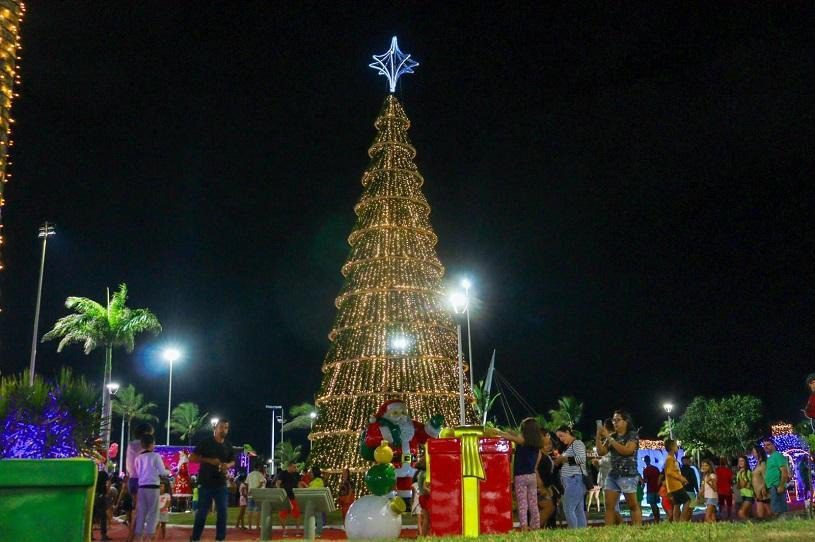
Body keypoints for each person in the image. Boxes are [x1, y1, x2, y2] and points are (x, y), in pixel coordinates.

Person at [491, 418, 543, 530]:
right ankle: (536, 525)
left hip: (521, 476)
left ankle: (524, 526)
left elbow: (511, 438)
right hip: (532, 476)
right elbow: (538, 457)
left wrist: (498, 432)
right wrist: (511, 433)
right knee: (533, 503)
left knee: (522, 503)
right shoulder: (536, 444)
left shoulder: (522, 441)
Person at [190, 418, 235, 542]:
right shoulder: (206, 442)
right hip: (205, 483)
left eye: (226, 427)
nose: (224, 430)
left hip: (221, 484)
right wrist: (209, 460)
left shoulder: (228, 445)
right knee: (202, 513)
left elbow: (232, 461)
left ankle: (220, 539)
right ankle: (195, 538)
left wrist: (228, 465)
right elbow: (192, 457)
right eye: (221, 427)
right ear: (215, 428)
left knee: (223, 512)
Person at [596, 409, 642, 526]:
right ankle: (609, 532)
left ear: (626, 421)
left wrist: (610, 438)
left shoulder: (632, 435)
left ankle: (637, 530)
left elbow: (627, 451)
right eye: (613, 420)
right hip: (613, 475)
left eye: (618, 420)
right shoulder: (612, 436)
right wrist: (598, 436)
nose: (615, 423)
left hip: (628, 474)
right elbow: (601, 452)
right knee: (609, 506)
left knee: (632, 505)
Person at [132, 433, 170, 542]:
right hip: (153, 487)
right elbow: (163, 472)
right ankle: (149, 537)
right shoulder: (155, 456)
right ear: (152, 444)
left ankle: (138, 537)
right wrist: (169, 470)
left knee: (141, 512)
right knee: (153, 513)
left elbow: (138, 472)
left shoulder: (138, 458)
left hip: (142, 487)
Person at [125, 423, 154, 542]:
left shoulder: (131, 444)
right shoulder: (145, 446)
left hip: (133, 479)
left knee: (139, 511)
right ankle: (132, 538)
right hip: (143, 480)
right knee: (141, 512)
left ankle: (134, 537)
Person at [554, 425, 588, 528]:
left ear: (568, 432)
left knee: (568, 508)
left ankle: (573, 533)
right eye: (559, 437)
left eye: (562, 435)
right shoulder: (569, 447)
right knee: (578, 510)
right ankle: (581, 533)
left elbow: (582, 459)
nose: (560, 439)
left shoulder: (577, 443)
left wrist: (564, 459)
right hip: (572, 480)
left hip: (575, 479)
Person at [663, 440, 691, 522]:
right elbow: (670, 472)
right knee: (687, 501)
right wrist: (681, 478)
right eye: (676, 446)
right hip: (675, 485)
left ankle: (676, 522)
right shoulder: (669, 459)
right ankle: (682, 520)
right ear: (672, 447)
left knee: (677, 503)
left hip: (674, 485)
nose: (677, 448)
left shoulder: (671, 458)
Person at [536, 430, 558, 528]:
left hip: (546, 486)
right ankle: (534, 528)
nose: (548, 446)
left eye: (550, 444)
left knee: (550, 508)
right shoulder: (539, 454)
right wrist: (541, 487)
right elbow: (535, 469)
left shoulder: (547, 455)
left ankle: (538, 528)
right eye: (546, 444)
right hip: (540, 486)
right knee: (549, 507)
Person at [763, 439, 790, 516]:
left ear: (774, 445)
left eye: (768, 444)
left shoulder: (777, 455)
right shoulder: (769, 458)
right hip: (772, 486)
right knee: (776, 508)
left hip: (777, 486)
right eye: (764, 445)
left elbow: (784, 472)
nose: (766, 447)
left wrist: (781, 486)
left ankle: (783, 524)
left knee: (778, 509)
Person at [275, 462, 302, 535]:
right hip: (285, 497)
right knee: (282, 514)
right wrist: (280, 492)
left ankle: (297, 531)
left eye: (295, 467)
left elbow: (299, 484)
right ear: (289, 467)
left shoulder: (296, 474)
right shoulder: (282, 473)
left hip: (294, 497)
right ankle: (284, 530)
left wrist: (301, 492)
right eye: (294, 467)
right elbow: (278, 483)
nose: (295, 468)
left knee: (297, 514)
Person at [750, 445, 771, 518]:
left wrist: (764, 488)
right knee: (761, 514)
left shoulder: (763, 464)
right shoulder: (757, 464)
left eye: (754, 452)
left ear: (758, 452)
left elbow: (766, 477)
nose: (753, 454)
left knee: (769, 512)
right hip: (757, 493)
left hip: (763, 492)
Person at [93, 461, 111, 541]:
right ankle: (103, 535)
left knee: (92, 515)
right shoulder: (103, 473)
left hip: (93, 495)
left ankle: (90, 534)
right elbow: (108, 483)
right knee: (103, 516)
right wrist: (107, 492)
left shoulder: (93, 473)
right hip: (101, 495)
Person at [245, 463, 267, 530]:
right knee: (258, 510)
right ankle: (257, 526)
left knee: (250, 510)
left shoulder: (249, 474)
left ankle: (249, 527)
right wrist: (255, 490)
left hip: (250, 494)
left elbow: (246, 484)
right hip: (258, 495)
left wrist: (248, 491)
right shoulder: (260, 475)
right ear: (259, 468)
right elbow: (261, 484)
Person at [642, 456, 661, 523]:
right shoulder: (656, 468)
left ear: (645, 461)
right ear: (650, 460)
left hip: (650, 489)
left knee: (652, 504)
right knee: (655, 504)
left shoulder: (646, 470)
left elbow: (646, 481)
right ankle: (658, 517)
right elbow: (660, 478)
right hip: (657, 489)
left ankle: (656, 519)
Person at [308, 467, 326, 536]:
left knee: (318, 517)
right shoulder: (316, 480)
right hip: (315, 500)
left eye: (311, 472)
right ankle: (316, 531)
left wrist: (304, 485)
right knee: (316, 517)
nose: (310, 474)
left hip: (317, 500)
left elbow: (311, 490)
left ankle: (318, 532)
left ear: (315, 473)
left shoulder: (318, 480)